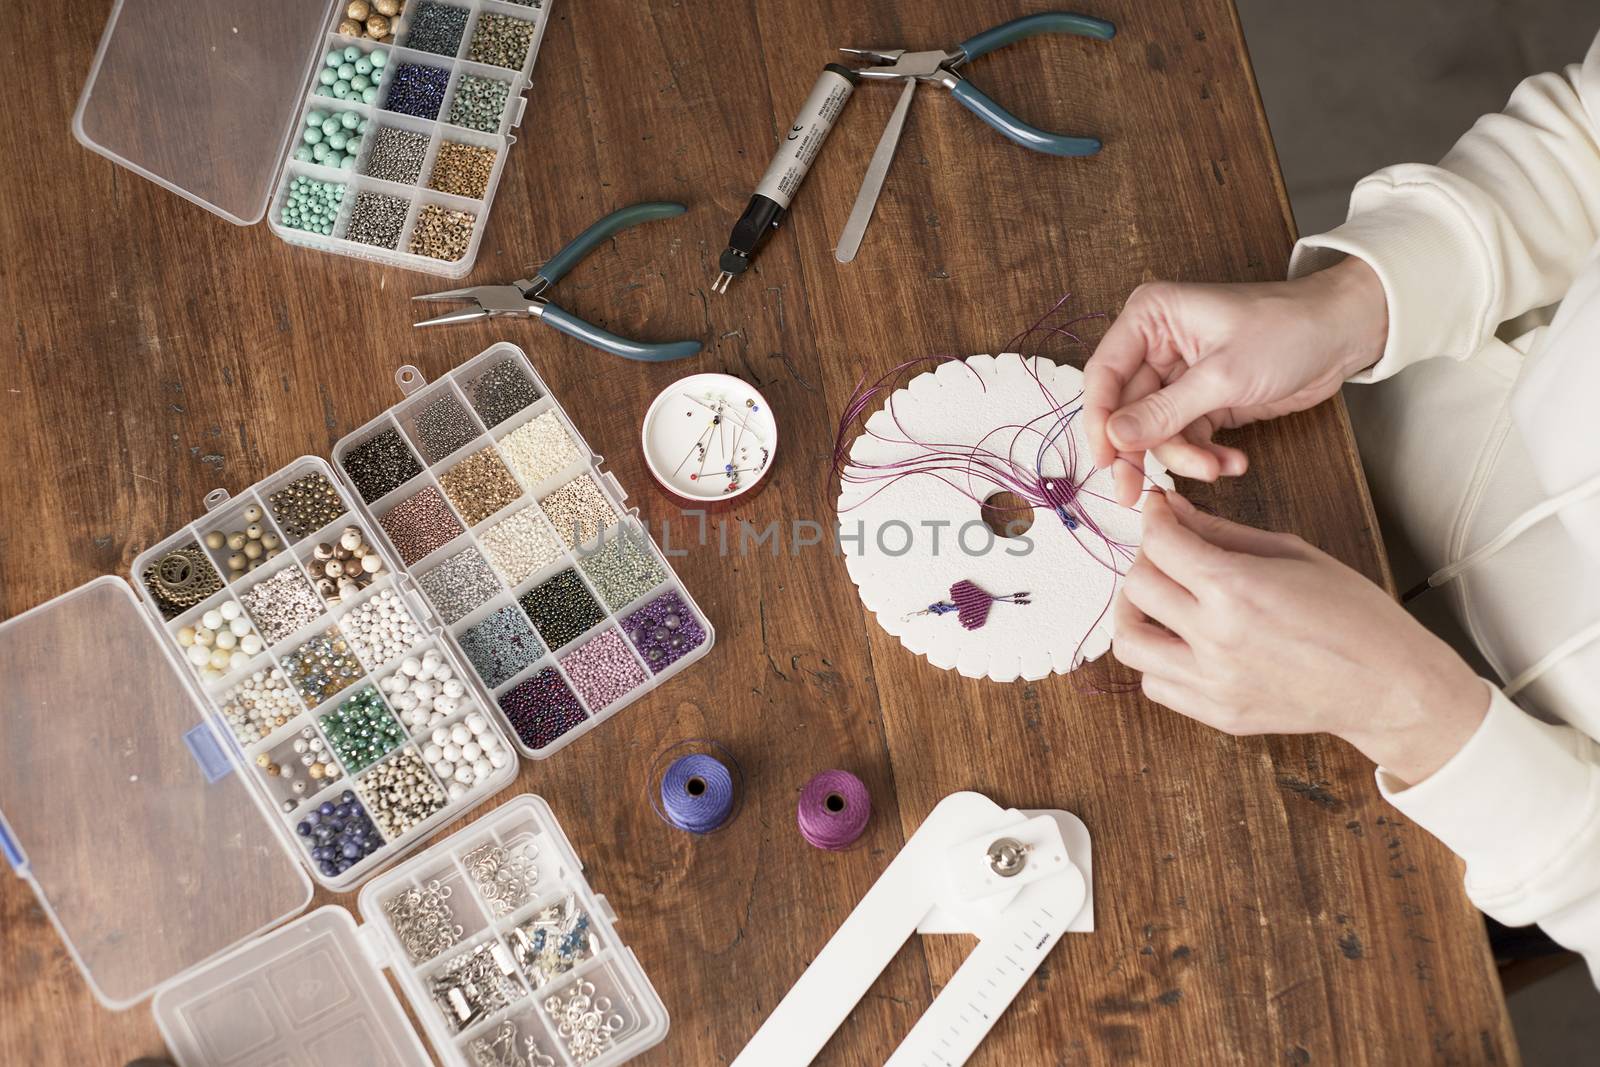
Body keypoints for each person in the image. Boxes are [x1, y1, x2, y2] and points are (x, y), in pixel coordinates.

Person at [1084, 33, 1600, 982]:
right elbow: (1589, 136)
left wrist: (1413, 715)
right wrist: (1357, 301)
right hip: (1392, 417)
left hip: (1503, 794)